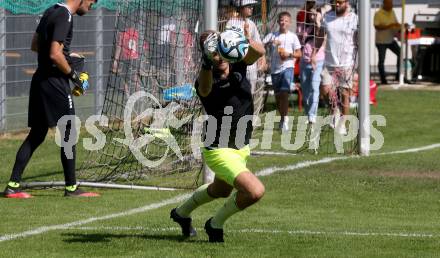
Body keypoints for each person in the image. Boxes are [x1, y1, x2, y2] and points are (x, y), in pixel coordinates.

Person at [170, 27, 265, 242]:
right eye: (212, 53)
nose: (218, 57)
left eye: (220, 50)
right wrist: (206, 61)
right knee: (255, 191)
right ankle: (215, 225)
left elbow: (259, 51)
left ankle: (181, 213)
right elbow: (203, 91)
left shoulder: (238, 63)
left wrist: (242, 40)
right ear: (206, 55)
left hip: (240, 146)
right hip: (219, 148)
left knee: (221, 190)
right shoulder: (206, 77)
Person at [3, 0, 100, 198]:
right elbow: (55, 55)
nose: (93, 5)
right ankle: (71, 188)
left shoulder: (51, 11)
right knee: (69, 133)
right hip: (55, 84)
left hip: (40, 80)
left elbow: (35, 45)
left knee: (37, 133)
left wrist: (66, 55)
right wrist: (74, 76)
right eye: (93, 1)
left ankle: (12, 186)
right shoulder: (65, 15)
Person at [319, 0, 358, 135]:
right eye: (334, 2)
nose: (337, 4)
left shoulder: (354, 18)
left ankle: (342, 124)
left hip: (346, 62)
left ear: (346, 2)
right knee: (324, 90)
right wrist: (314, 53)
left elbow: (358, 39)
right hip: (329, 61)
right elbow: (320, 35)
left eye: (340, 2)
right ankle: (334, 111)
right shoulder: (327, 16)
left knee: (345, 95)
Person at [263, 11, 302, 131]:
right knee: (278, 96)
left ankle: (284, 120)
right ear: (278, 22)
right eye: (281, 20)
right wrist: (269, 44)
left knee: (284, 93)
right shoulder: (272, 35)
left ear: (289, 23)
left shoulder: (293, 36)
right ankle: (282, 118)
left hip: (288, 67)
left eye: (286, 20)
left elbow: (299, 53)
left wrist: (288, 54)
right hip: (275, 69)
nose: (283, 22)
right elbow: (261, 46)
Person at [226, 0, 267, 94]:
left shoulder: (251, 24)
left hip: (251, 66)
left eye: (252, 6)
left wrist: (263, 58)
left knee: (249, 95)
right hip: (236, 65)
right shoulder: (231, 23)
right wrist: (246, 38)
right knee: (235, 95)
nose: (251, 8)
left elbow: (259, 44)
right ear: (241, 7)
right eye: (248, 6)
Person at [299, 6, 325, 124]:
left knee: (314, 88)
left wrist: (318, 22)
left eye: (315, 14)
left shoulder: (322, 28)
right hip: (304, 62)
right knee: (305, 91)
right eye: (310, 14)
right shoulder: (305, 28)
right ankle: (308, 113)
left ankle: (312, 115)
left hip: (318, 62)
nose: (312, 16)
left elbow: (322, 38)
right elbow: (300, 43)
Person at [374, 0, 401, 84]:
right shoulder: (378, 13)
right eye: (390, 4)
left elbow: (395, 24)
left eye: (392, 3)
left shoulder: (392, 12)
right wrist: (389, 26)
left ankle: (399, 76)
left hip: (391, 40)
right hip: (381, 41)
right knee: (381, 60)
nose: (392, 5)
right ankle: (383, 79)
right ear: (384, 4)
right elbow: (377, 26)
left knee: (400, 54)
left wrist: (400, 27)